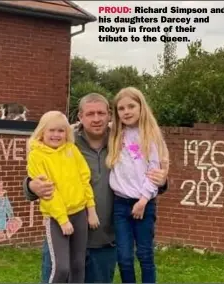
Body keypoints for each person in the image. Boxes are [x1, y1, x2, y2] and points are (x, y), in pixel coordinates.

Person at [23, 93, 169, 283]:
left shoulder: (122, 140)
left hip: (105, 243)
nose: (97, 119)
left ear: (110, 115)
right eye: (90, 114)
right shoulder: (65, 141)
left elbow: (147, 173)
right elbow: (36, 171)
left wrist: (162, 181)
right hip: (66, 237)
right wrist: (31, 185)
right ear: (80, 117)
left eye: (101, 113)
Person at [27, 110, 100, 283]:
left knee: (78, 265)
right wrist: (62, 219)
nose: (56, 135)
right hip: (56, 217)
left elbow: (84, 178)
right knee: (61, 268)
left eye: (61, 131)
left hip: (80, 213)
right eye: (51, 130)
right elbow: (48, 192)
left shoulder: (71, 150)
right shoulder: (36, 156)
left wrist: (91, 209)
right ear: (42, 132)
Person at [106, 87, 168, 283]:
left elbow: (154, 172)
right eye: (121, 108)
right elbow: (85, 126)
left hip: (144, 204)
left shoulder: (150, 135)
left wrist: (143, 200)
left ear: (141, 107)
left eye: (131, 106)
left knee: (145, 255)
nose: (126, 111)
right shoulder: (115, 133)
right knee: (124, 257)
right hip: (120, 204)